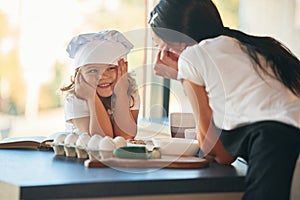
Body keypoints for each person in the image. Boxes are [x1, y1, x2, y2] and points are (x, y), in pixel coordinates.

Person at [148, 0, 300, 199]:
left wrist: (183, 77)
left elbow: (213, 149)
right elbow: (225, 151)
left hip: (275, 144)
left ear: (175, 43)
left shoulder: (193, 57)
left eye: (160, 46)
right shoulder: (251, 46)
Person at [61, 30, 140, 139]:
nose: (103, 76)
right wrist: (91, 97)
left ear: (123, 70)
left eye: (111, 68)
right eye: (93, 70)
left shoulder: (130, 92)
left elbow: (126, 136)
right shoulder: (75, 100)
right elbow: (101, 140)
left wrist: (121, 92)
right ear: (79, 75)